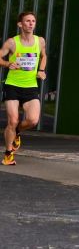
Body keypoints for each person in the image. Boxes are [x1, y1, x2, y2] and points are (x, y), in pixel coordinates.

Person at [1, 12, 46, 166]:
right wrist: (7, 64)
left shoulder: (39, 41)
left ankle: (17, 132)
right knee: (12, 120)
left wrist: (41, 70)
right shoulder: (12, 43)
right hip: (13, 85)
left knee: (33, 120)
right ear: (20, 24)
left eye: (33, 21)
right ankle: (8, 154)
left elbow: (43, 56)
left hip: (30, 86)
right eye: (27, 21)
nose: (31, 23)